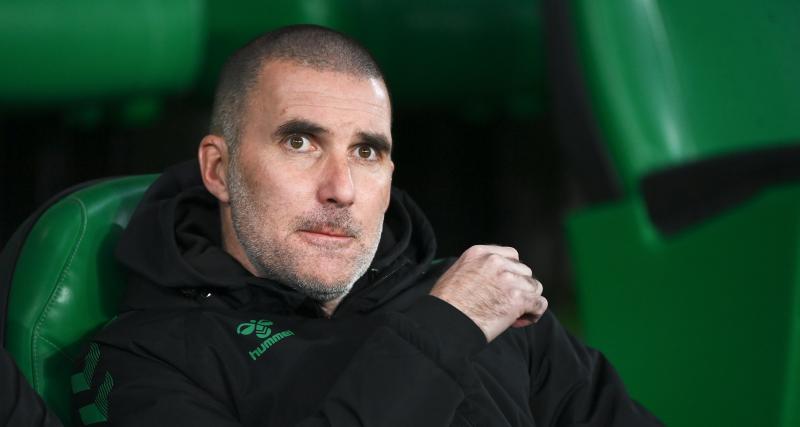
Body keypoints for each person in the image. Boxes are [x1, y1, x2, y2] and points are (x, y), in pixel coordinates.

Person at [72, 24, 661, 426]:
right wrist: (444, 332)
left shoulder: (487, 307)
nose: (342, 189)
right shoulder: (148, 356)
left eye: (366, 151)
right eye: (300, 143)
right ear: (219, 170)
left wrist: (452, 317)